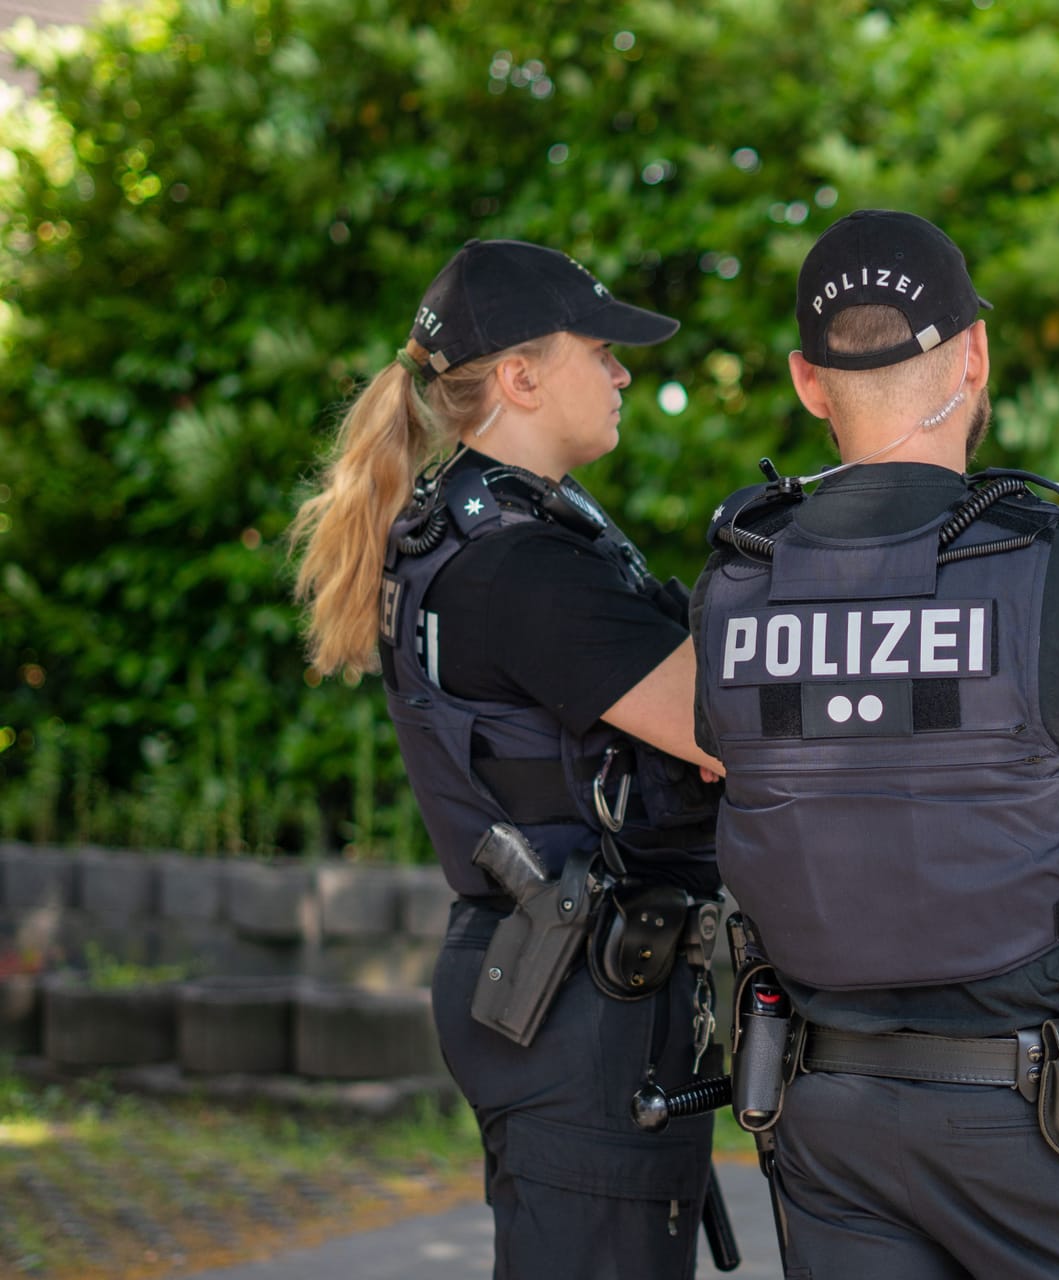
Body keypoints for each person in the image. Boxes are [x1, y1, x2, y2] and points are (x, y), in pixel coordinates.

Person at [690, 210, 1059, 1278]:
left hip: (828, 1117)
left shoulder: (735, 581)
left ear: (809, 382)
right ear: (975, 354)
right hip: (1035, 1125)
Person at [289, 239, 728, 1278]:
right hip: (577, 999)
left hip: (553, 975)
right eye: (602, 350)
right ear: (522, 376)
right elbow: (730, 728)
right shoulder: (520, 566)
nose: (624, 372)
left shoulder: (485, 523)